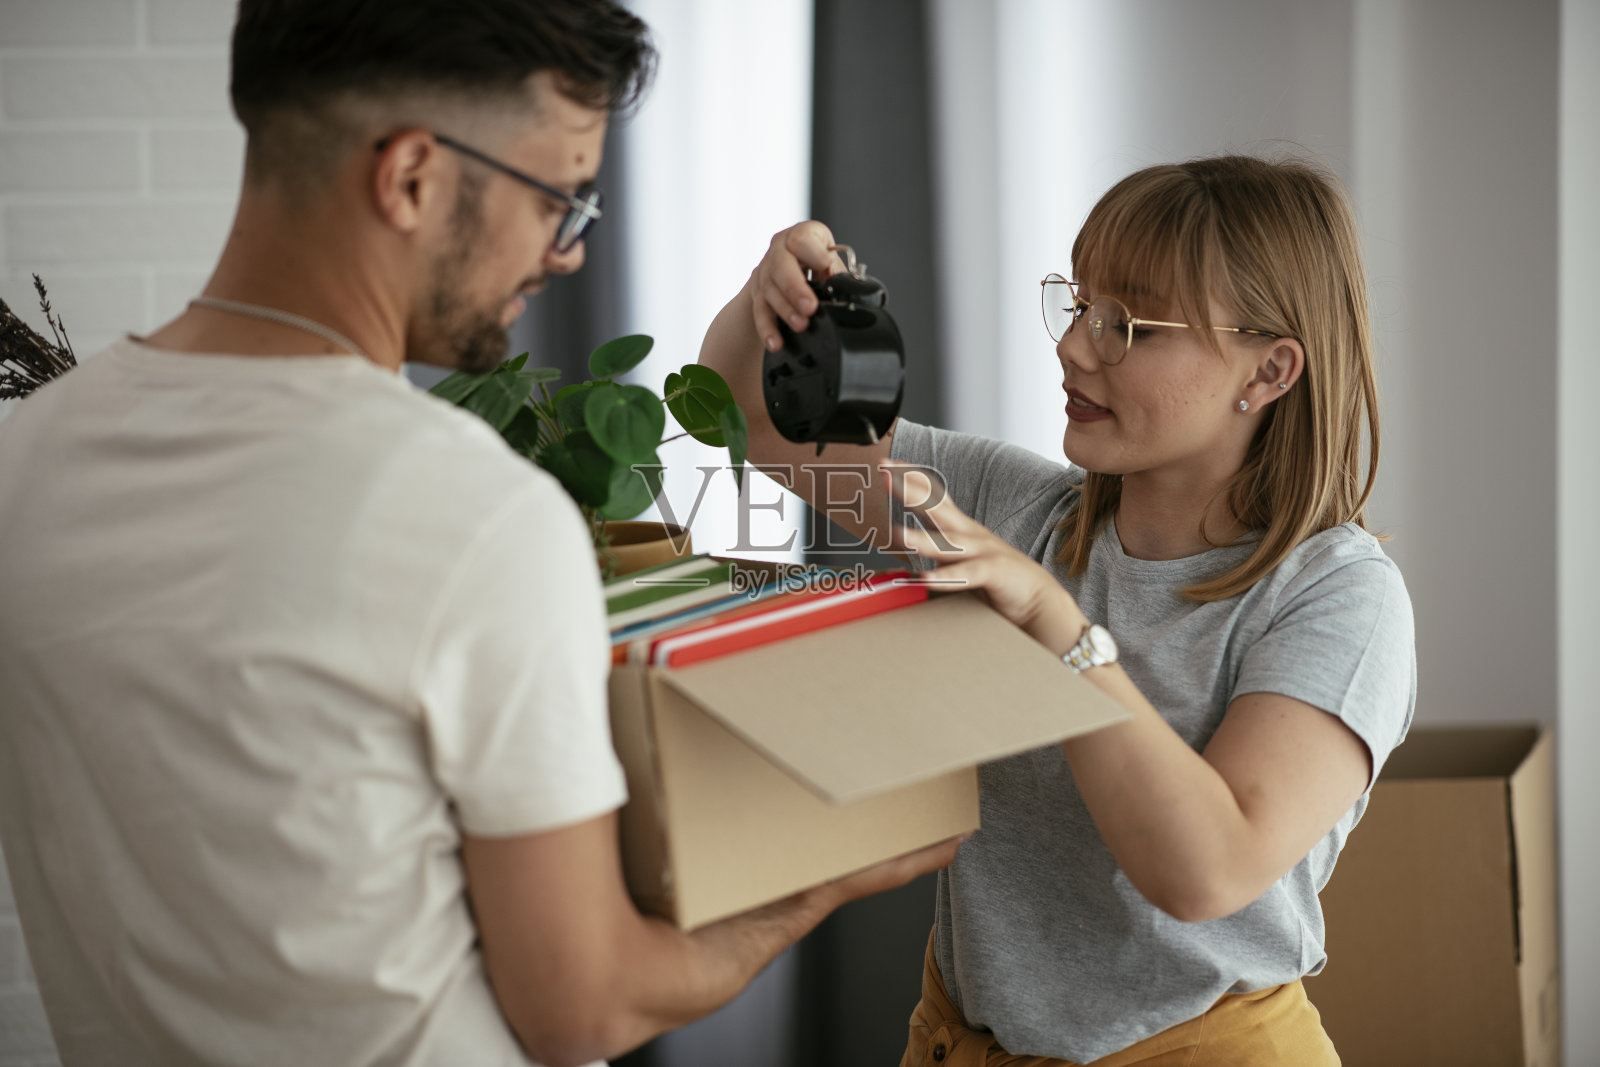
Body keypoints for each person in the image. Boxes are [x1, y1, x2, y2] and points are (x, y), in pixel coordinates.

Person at [0, 3, 960, 1065]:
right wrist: (828, 864)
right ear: (412, 176)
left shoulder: (29, 456)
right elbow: (583, 1004)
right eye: (559, 198)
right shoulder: (466, 512)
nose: (565, 255)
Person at [699, 154, 1416, 1065]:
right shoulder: (1015, 507)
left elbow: (1207, 869)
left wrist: (1060, 627)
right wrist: (773, 292)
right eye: (1079, 305)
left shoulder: (1336, 596)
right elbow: (756, 422)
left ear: (1270, 371)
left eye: (1128, 326)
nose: (1075, 346)